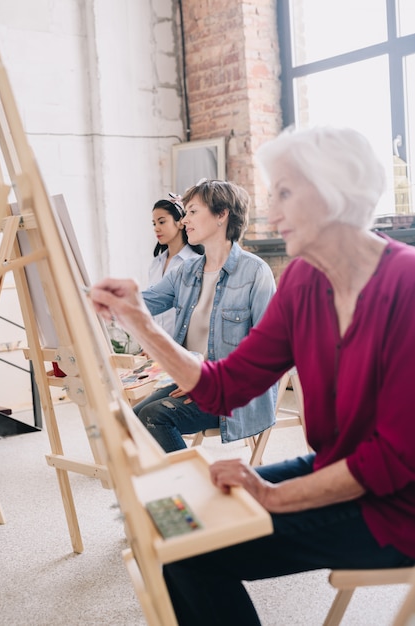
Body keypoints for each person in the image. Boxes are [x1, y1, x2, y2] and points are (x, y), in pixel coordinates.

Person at [90, 125, 415, 626]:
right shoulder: (303, 279)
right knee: (174, 528)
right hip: (339, 470)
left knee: (191, 549)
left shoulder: (407, 287)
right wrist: (139, 321)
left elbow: (391, 461)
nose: (272, 212)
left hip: (397, 506)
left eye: (285, 193)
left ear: (336, 193)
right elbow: (226, 386)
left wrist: (270, 495)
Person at [132, 179, 277, 452]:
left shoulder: (255, 272)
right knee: (129, 419)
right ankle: (164, 489)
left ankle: (192, 491)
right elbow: (143, 303)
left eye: (193, 212)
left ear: (222, 215)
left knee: (155, 417)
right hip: (192, 381)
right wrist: (97, 296)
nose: (185, 220)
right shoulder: (186, 272)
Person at [148, 195, 203, 336]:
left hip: (186, 349)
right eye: (154, 224)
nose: (156, 228)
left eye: (161, 222)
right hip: (156, 349)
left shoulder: (196, 263)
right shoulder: (155, 264)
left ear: (180, 222)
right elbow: (151, 308)